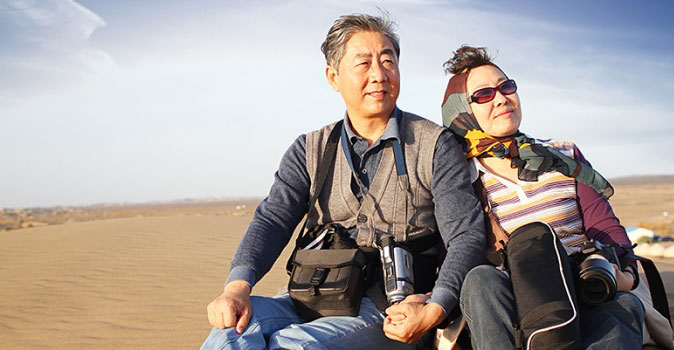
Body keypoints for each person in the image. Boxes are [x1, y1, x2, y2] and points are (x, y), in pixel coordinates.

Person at [200, 14, 486, 350]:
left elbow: (466, 234)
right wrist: (237, 287)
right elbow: (273, 218)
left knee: (292, 345)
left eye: (387, 61)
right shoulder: (309, 149)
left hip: (389, 309)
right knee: (229, 333)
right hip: (309, 298)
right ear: (333, 77)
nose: (378, 75)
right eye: (363, 63)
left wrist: (436, 307)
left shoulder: (434, 145)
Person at [440, 46, 645, 350]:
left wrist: (624, 274)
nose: (501, 99)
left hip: (584, 290)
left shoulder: (564, 155)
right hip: (517, 301)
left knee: (625, 306)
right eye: (483, 95)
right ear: (461, 112)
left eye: (506, 87)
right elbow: (456, 249)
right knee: (481, 280)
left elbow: (607, 228)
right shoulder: (461, 178)